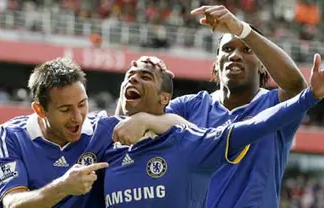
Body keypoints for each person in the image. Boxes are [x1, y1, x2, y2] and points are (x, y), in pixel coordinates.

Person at [112, 5, 308, 208]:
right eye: (228, 49)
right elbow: (127, 127)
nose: (235, 55)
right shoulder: (190, 107)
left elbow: (297, 86)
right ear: (215, 64)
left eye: (247, 49)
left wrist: (242, 29)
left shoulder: (274, 105)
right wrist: (134, 80)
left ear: (262, 65)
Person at [81, 55, 323, 208]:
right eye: (129, 76)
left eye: (145, 76)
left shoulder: (187, 144)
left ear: (165, 98)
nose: (133, 80)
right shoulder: (103, 143)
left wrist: (309, 97)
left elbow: (256, 125)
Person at [0, 58, 108, 208]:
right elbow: (12, 203)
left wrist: (144, 119)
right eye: (65, 110)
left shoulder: (102, 128)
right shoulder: (9, 136)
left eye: (82, 104)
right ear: (40, 110)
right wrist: (62, 187)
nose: (78, 117)